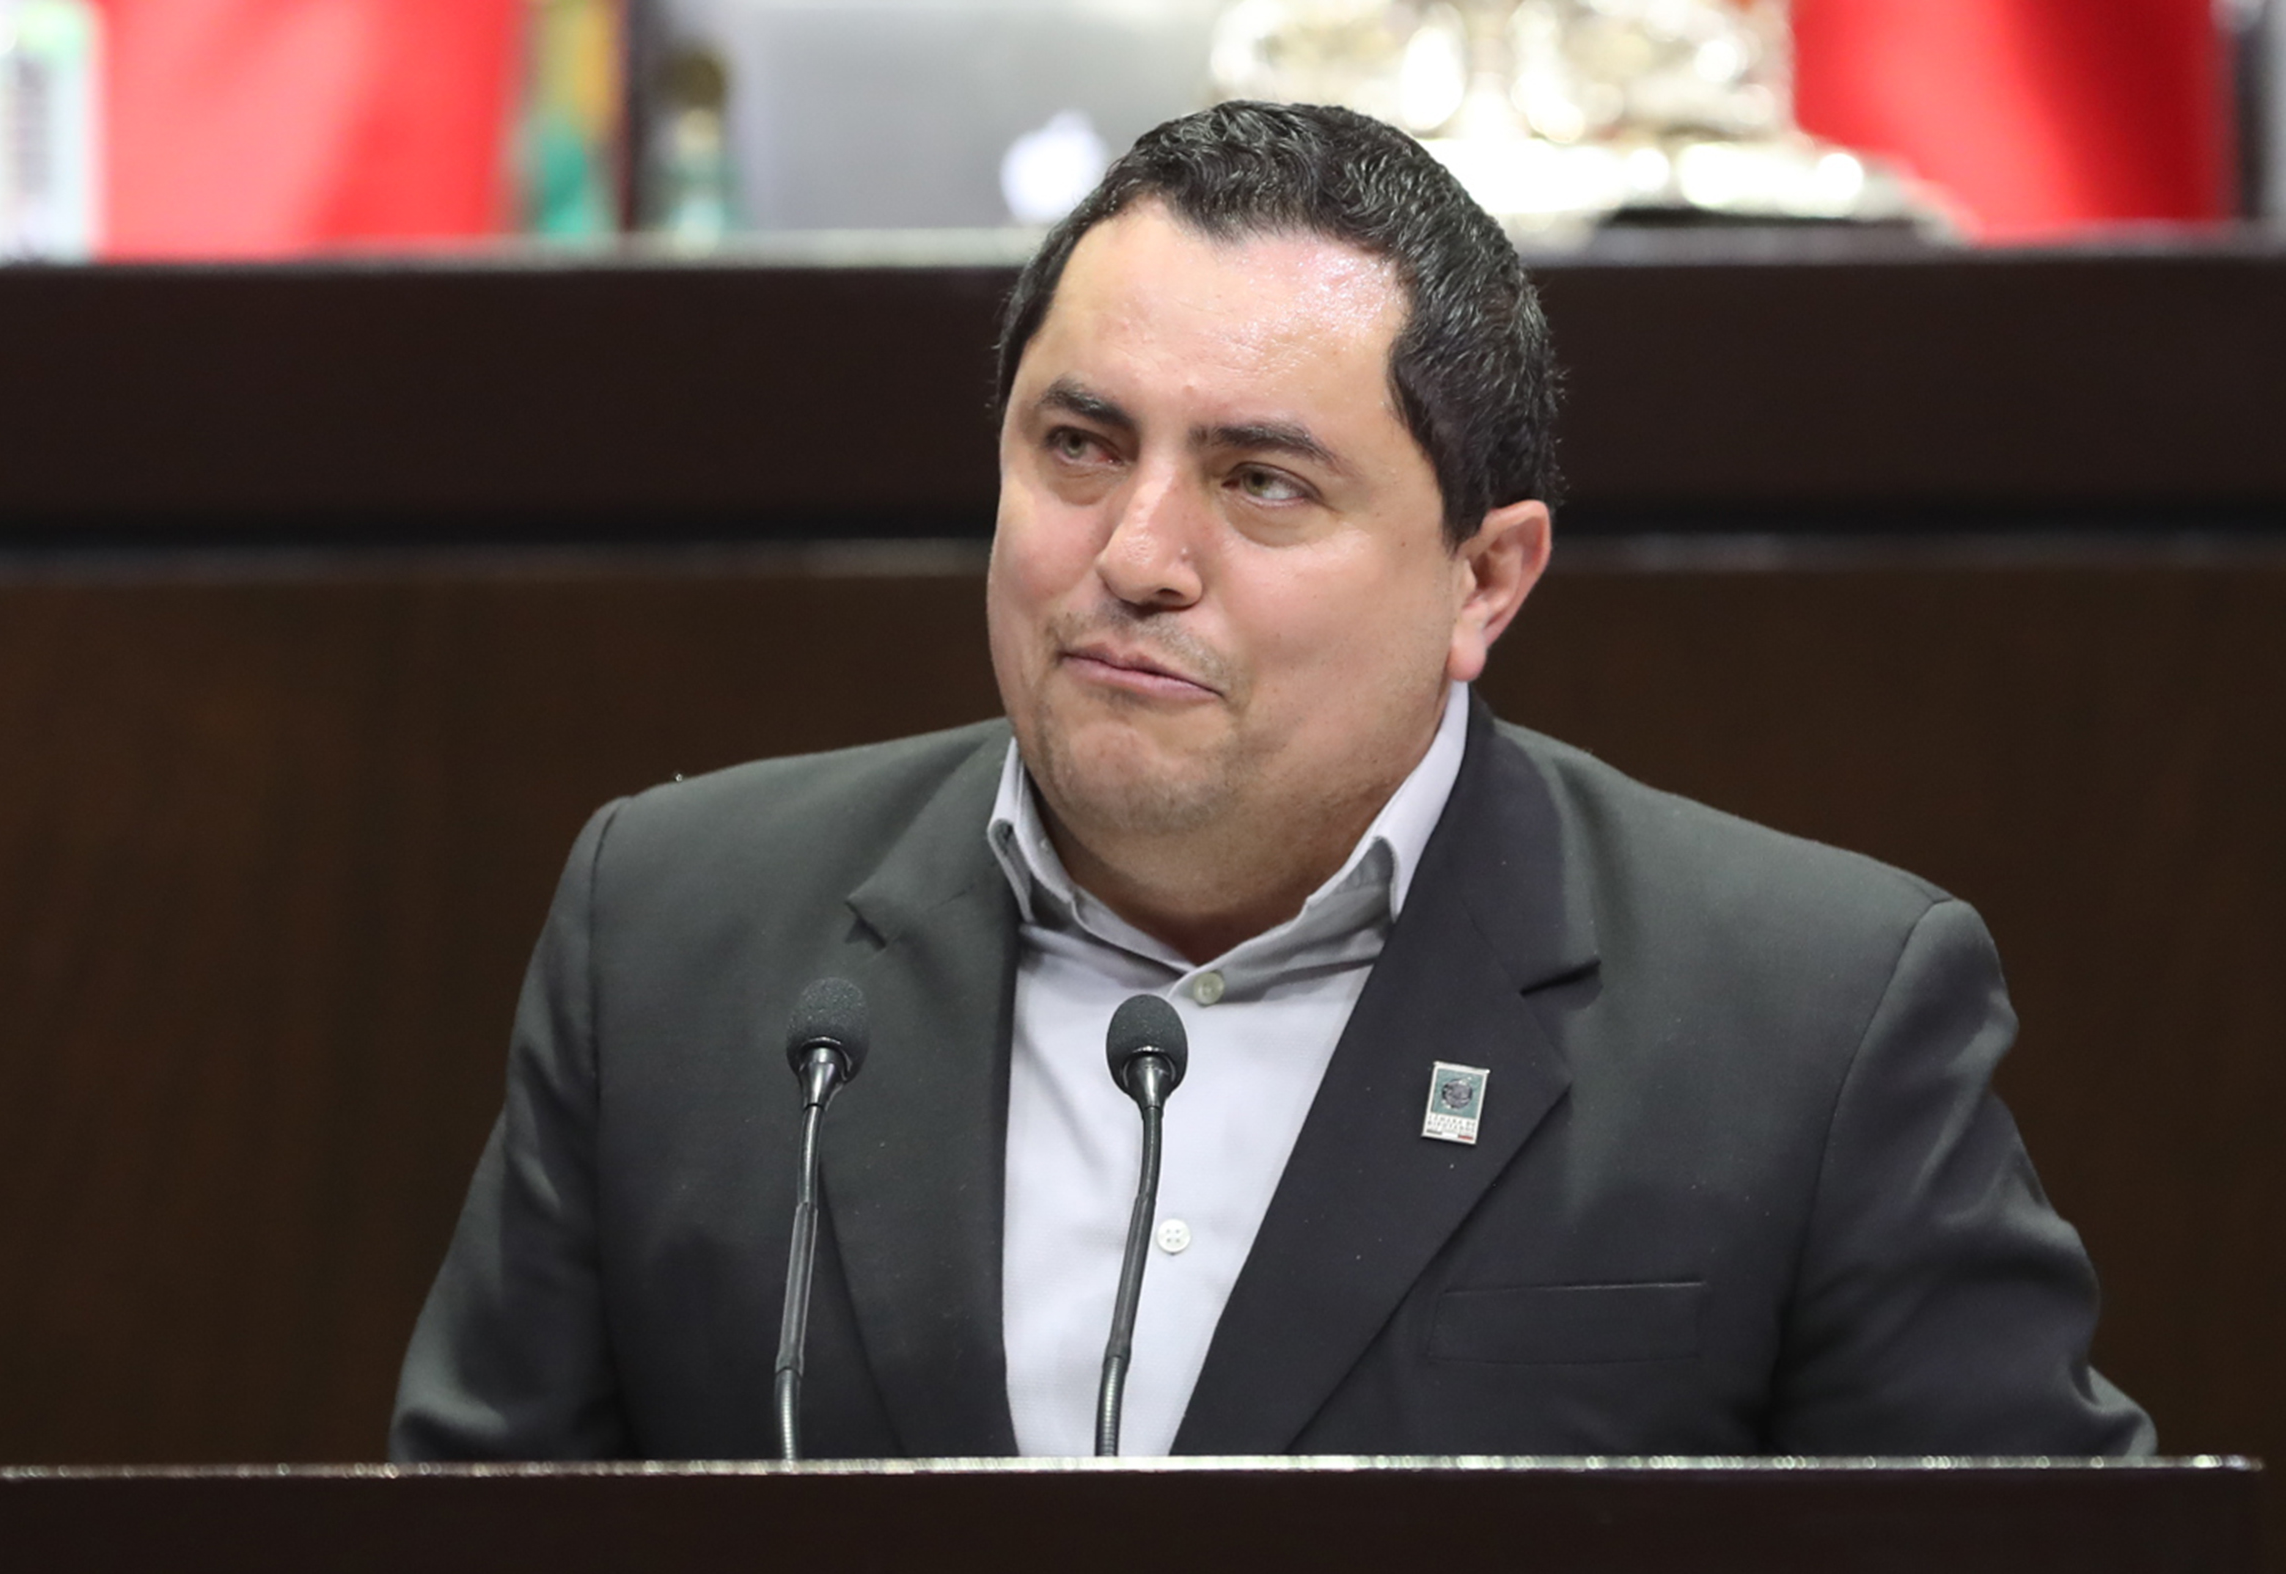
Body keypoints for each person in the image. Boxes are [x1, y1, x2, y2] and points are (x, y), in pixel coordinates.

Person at [390, 102, 2151, 1461]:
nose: (1135, 554)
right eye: (1079, 446)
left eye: (1261, 483)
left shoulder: (1806, 1018)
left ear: (1483, 580)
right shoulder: (678, 929)